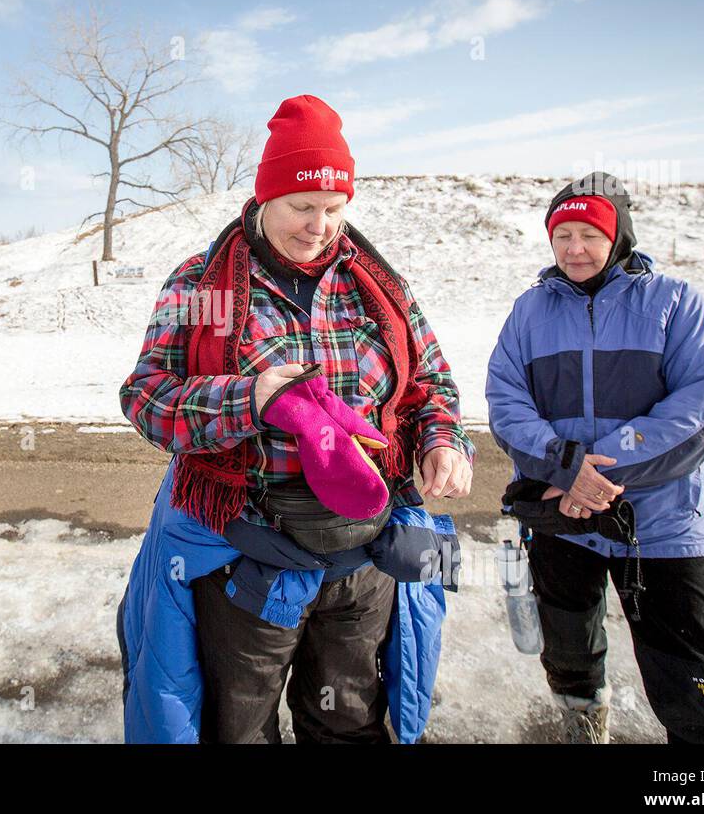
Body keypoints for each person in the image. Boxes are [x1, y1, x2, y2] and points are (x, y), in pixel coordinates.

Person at [117, 95, 472, 743]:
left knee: (349, 724)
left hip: (363, 565)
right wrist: (249, 400)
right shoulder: (205, 286)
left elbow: (430, 382)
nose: (318, 227)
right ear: (264, 199)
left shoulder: (377, 285)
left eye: (334, 210)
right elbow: (148, 398)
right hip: (249, 558)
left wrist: (441, 442)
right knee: (240, 726)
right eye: (301, 207)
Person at [486, 171, 704, 744]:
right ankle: (584, 722)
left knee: (694, 668)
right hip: (563, 522)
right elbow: (506, 405)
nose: (575, 248)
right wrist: (564, 466)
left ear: (618, 237)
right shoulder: (529, 312)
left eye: (589, 234)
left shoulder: (676, 303)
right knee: (568, 644)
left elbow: (697, 411)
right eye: (563, 236)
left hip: (661, 525)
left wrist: (590, 472)